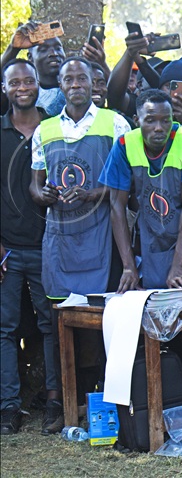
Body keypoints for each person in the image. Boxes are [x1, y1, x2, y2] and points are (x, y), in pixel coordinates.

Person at [29, 56, 131, 431]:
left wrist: (92, 194)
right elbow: (34, 186)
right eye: (68, 78)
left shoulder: (115, 123)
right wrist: (45, 195)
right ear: (60, 85)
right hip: (61, 241)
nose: (75, 84)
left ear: (93, 82)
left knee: (106, 324)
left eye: (82, 78)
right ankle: (61, 402)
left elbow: (124, 183)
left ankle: (107, 404)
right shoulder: (45, 129)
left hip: (102, 237)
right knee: (59, 326)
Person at [0, 59, 60, 436]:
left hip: (48, 247)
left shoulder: (54, 127)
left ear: (39, 84)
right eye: (14, 82)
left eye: (28, 81)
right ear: (4, 89)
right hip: (6, 249)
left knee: (52, 325)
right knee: (4, 329)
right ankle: (8, 406)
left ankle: (55, 400)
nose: (22, 87)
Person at [101, 88, 182, 291]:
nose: (159, 128)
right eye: (150, 121)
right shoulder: (124, 144)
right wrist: (128, 266)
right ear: (136, 120)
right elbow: (116, 205)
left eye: (166, 121)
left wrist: (178, 265)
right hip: (147, 237)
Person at [1, 23, 66, 116]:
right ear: (30, 57)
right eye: (43, 49)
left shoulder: (76, 87)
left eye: (58, 48)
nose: (54, 53)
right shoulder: (21, 93)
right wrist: (13, 48)